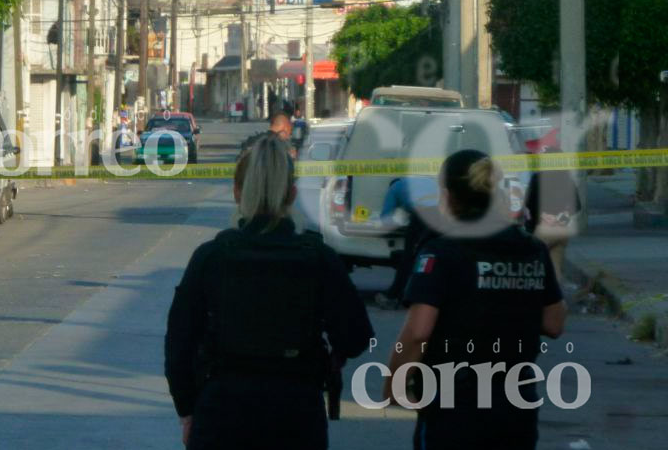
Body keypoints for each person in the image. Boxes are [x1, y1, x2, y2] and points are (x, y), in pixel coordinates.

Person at [165, 136, 374, 450]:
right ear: (291, 194)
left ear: (237, 194)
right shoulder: (318, 257)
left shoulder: (212, 257)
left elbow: (178, 347)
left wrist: (188, 412)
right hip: (296, 412)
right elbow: (357, 336)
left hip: (223, 412)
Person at [386, 149, 567, 450]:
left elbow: (418, 332)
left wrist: (394, 384)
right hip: (515, 404)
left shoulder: (443, 251)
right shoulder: (531, 249)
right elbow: (554, 322)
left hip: (455, 404)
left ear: (447, 195)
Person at [376, 175, 442, 309]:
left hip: (423, 216)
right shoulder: (425, 181)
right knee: (436, 257)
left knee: (409, 258)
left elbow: (386, 217)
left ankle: (392, 297)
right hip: (442, 215)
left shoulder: (394, 188)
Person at [523, 152, 581, 285]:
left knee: (531, 262)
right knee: (555, 268)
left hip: (543, 228)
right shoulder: (567, 179)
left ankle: (537, 301)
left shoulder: (538, 178)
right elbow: (577, 205)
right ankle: (557, 299)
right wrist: (562, 217)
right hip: (562, 230)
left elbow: (530, 204)